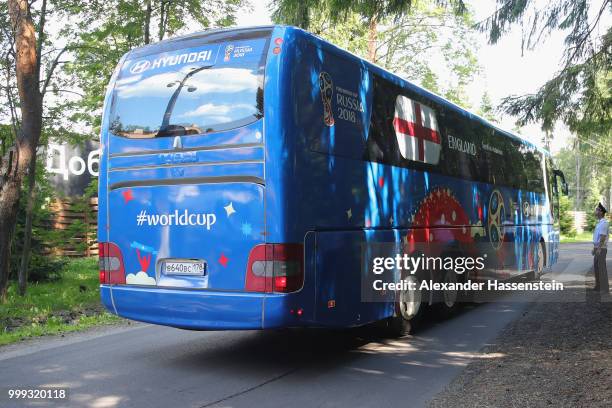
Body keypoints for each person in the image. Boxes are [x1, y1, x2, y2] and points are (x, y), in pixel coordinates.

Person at [592, 202, 609, 293]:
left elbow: (602, 237)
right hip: (597, 247)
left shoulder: (604, 223)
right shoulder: (599, 223)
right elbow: (597, 237)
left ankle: (604, 288)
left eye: (597, 210)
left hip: (601, 248)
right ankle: (598, 286)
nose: (595, 211)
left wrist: (598, 248)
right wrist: (594, 248)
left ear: (601, 212)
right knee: (596, 267)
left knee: (601, 268)